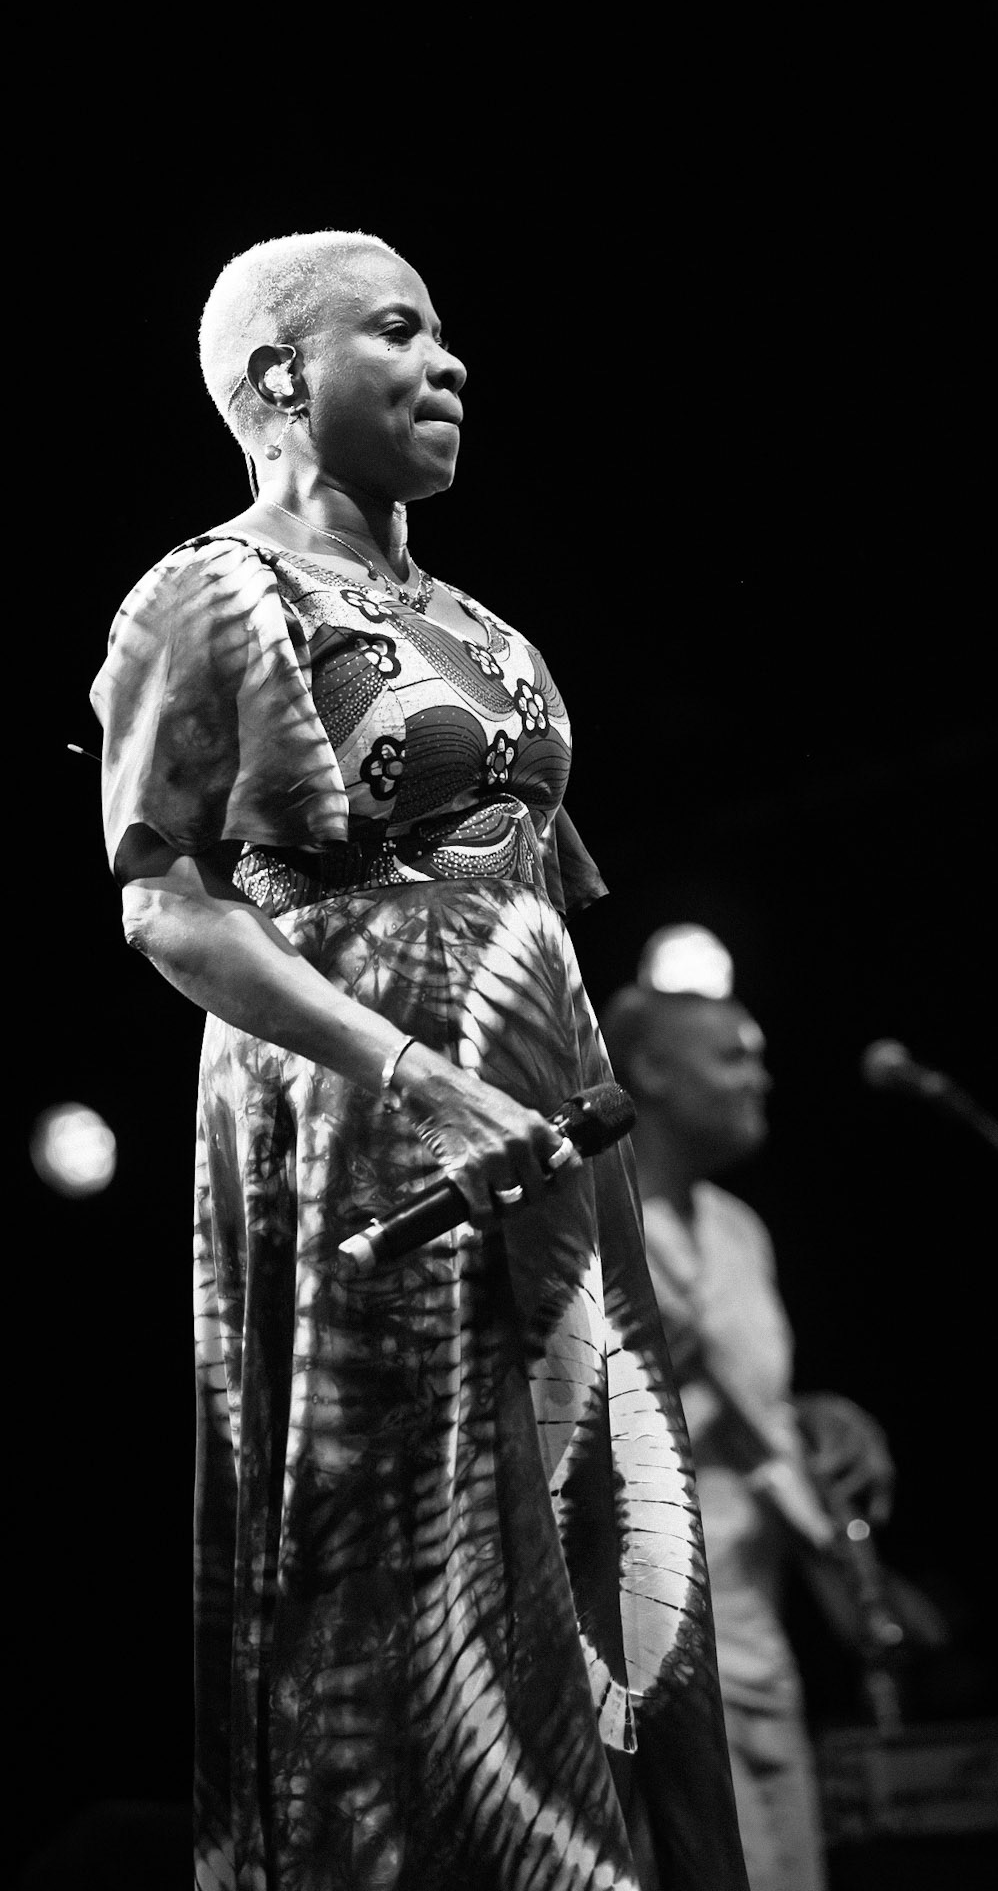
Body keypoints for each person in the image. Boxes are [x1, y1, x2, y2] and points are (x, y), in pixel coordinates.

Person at [89, 233, 747, 1891]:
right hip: (370, 1100)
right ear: (282, 375)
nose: (449, 361)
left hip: (541, 1091)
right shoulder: (214, 591)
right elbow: (166, 902)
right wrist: (416, 1075)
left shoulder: (486, 628)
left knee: (601, 1519)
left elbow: (528, 891)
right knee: (417, 1540)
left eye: (447, 332)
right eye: (400, 331)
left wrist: (537, 1079)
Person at [601, 931, 948, 1891]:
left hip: (762, 1639)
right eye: (731, 1057)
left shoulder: (741, 1232)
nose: (759, 1077)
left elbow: (743, 1399)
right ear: (652, 1072)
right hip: (640, 1633)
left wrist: (818, 1415)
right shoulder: (590, 1213)